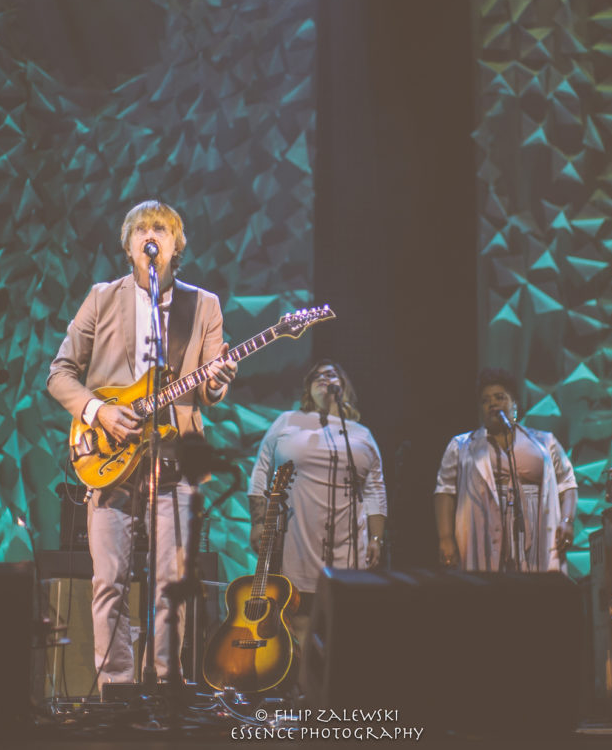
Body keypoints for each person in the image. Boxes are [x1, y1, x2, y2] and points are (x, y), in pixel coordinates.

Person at [47, 200, 237, 690]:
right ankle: (116, 691)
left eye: (162, 229)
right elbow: (60, 374)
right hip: (110, 457)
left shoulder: (205, 305)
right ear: (128, 245)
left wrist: (218, 379)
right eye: (142, 230)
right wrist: (100, 411)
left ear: (177, 245)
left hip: (176, 460)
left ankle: (165, 686)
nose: (151, 237)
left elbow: (210, 391)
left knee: (170, 590)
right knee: (108, 581)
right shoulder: (102, 298)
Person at [248, 360, 388, 647]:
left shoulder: (360, 433)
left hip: (347, 539)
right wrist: (259, 522)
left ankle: (333, 687)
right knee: (299, 614)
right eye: (317, 376)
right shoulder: (288, 420)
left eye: (332, 374)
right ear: (308, 389)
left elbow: (375, 489)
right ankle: (301, 689)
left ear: (344, 386)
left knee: (342, 621)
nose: (324, 378)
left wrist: (376, 537)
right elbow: (261, 471)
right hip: (297, 535)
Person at [434, 367, 577, 573]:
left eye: (499, 397)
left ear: (514, 404)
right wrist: (445, 538)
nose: (492, 403)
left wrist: (567, 521)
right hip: (484, 532)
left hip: (537, 533)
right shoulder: (461, 445)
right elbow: (444, 491)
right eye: (485, 400)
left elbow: (568, 484)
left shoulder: (545, 442)